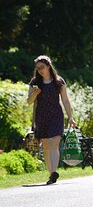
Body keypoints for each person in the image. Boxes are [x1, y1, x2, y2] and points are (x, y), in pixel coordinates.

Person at [26, 55, 76, 185]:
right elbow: (29, 102)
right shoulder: (34, 82)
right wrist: (34, 94)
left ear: (49, 66)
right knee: (46, 146)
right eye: (38, 68)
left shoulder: (58, 82)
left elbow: (65, 100)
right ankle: (51, 174)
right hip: (41, 117)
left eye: (42, 67)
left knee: (54, 143)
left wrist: (70, 117)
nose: (40, 70)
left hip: (56, 116)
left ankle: (53, 172)